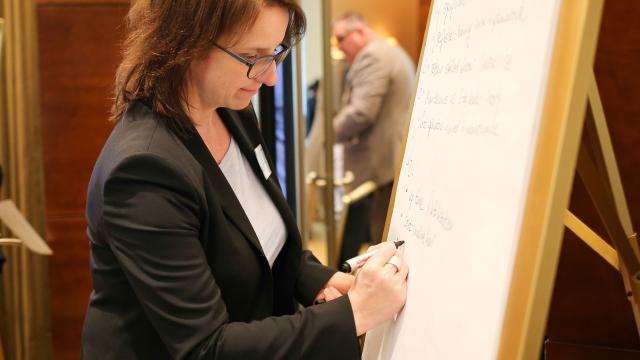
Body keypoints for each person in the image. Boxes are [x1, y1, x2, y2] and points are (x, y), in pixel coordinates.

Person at [81, 1, 408, 359]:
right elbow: (205, 349)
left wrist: (318, 280)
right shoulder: (144, 171)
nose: (270, 78)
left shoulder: (230, 110)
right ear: (187, 43)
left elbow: (261, 238)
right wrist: (356, 312)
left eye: (275, 54)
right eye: (253, 57)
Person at [332, 13, 416, 262]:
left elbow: (361, 112)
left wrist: (329, 134)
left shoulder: (372, 56)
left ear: (360, 33)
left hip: (379, 166)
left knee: (381, 245)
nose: (338, 46)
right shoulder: (390, 51)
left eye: (340, 38)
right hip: (388, 161)